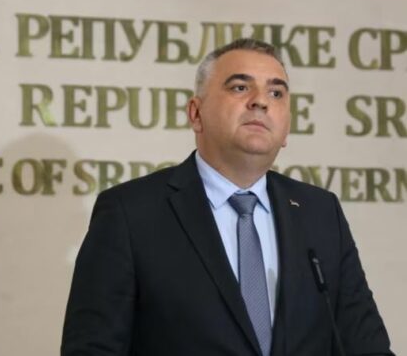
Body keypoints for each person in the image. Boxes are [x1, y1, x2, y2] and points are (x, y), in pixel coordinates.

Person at [61, 38, 394, 355]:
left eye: (276, 93)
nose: (261, 101)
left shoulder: (320, 214)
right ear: (196, 113)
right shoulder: (131, 214)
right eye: (240, 87)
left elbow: (367, 347)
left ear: (287, 128)